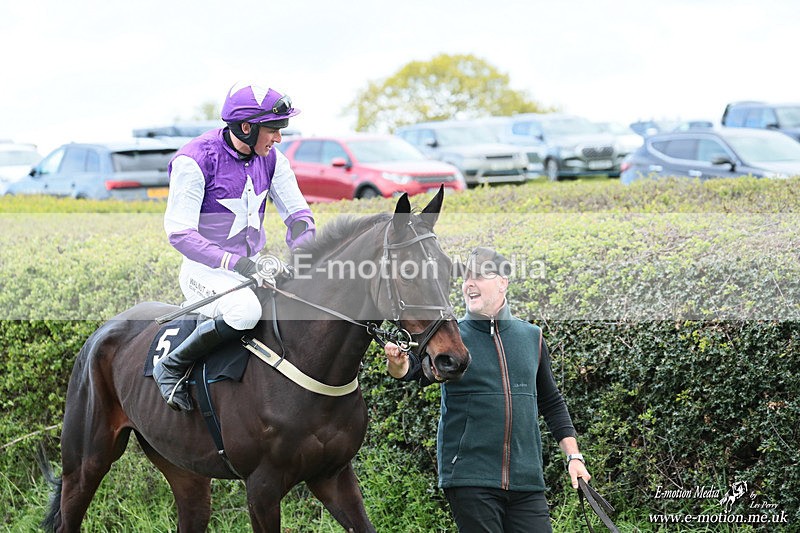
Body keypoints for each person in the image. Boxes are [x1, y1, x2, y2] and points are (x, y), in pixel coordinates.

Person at [385, 247, 590, 532]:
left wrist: (574, 457)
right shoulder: (451, 339)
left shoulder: (531, 337)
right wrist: (398, 363)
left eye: (479, 276)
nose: (469, 283)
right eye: (466, 277)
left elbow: (551, 402)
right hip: (470, 478)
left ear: (503, 282)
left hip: (526, 481)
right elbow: (414, 372)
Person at [155, 81, 316, 412]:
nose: (279, 138)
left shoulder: (273, 160)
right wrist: (235, 263)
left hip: (253, 266)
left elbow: (299, 216)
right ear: (246, 127)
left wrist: (302, 256)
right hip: (206, 271)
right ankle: (170, 366)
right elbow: (180, 234)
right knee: (245, 312)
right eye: (273, 130)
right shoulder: (194, 160)